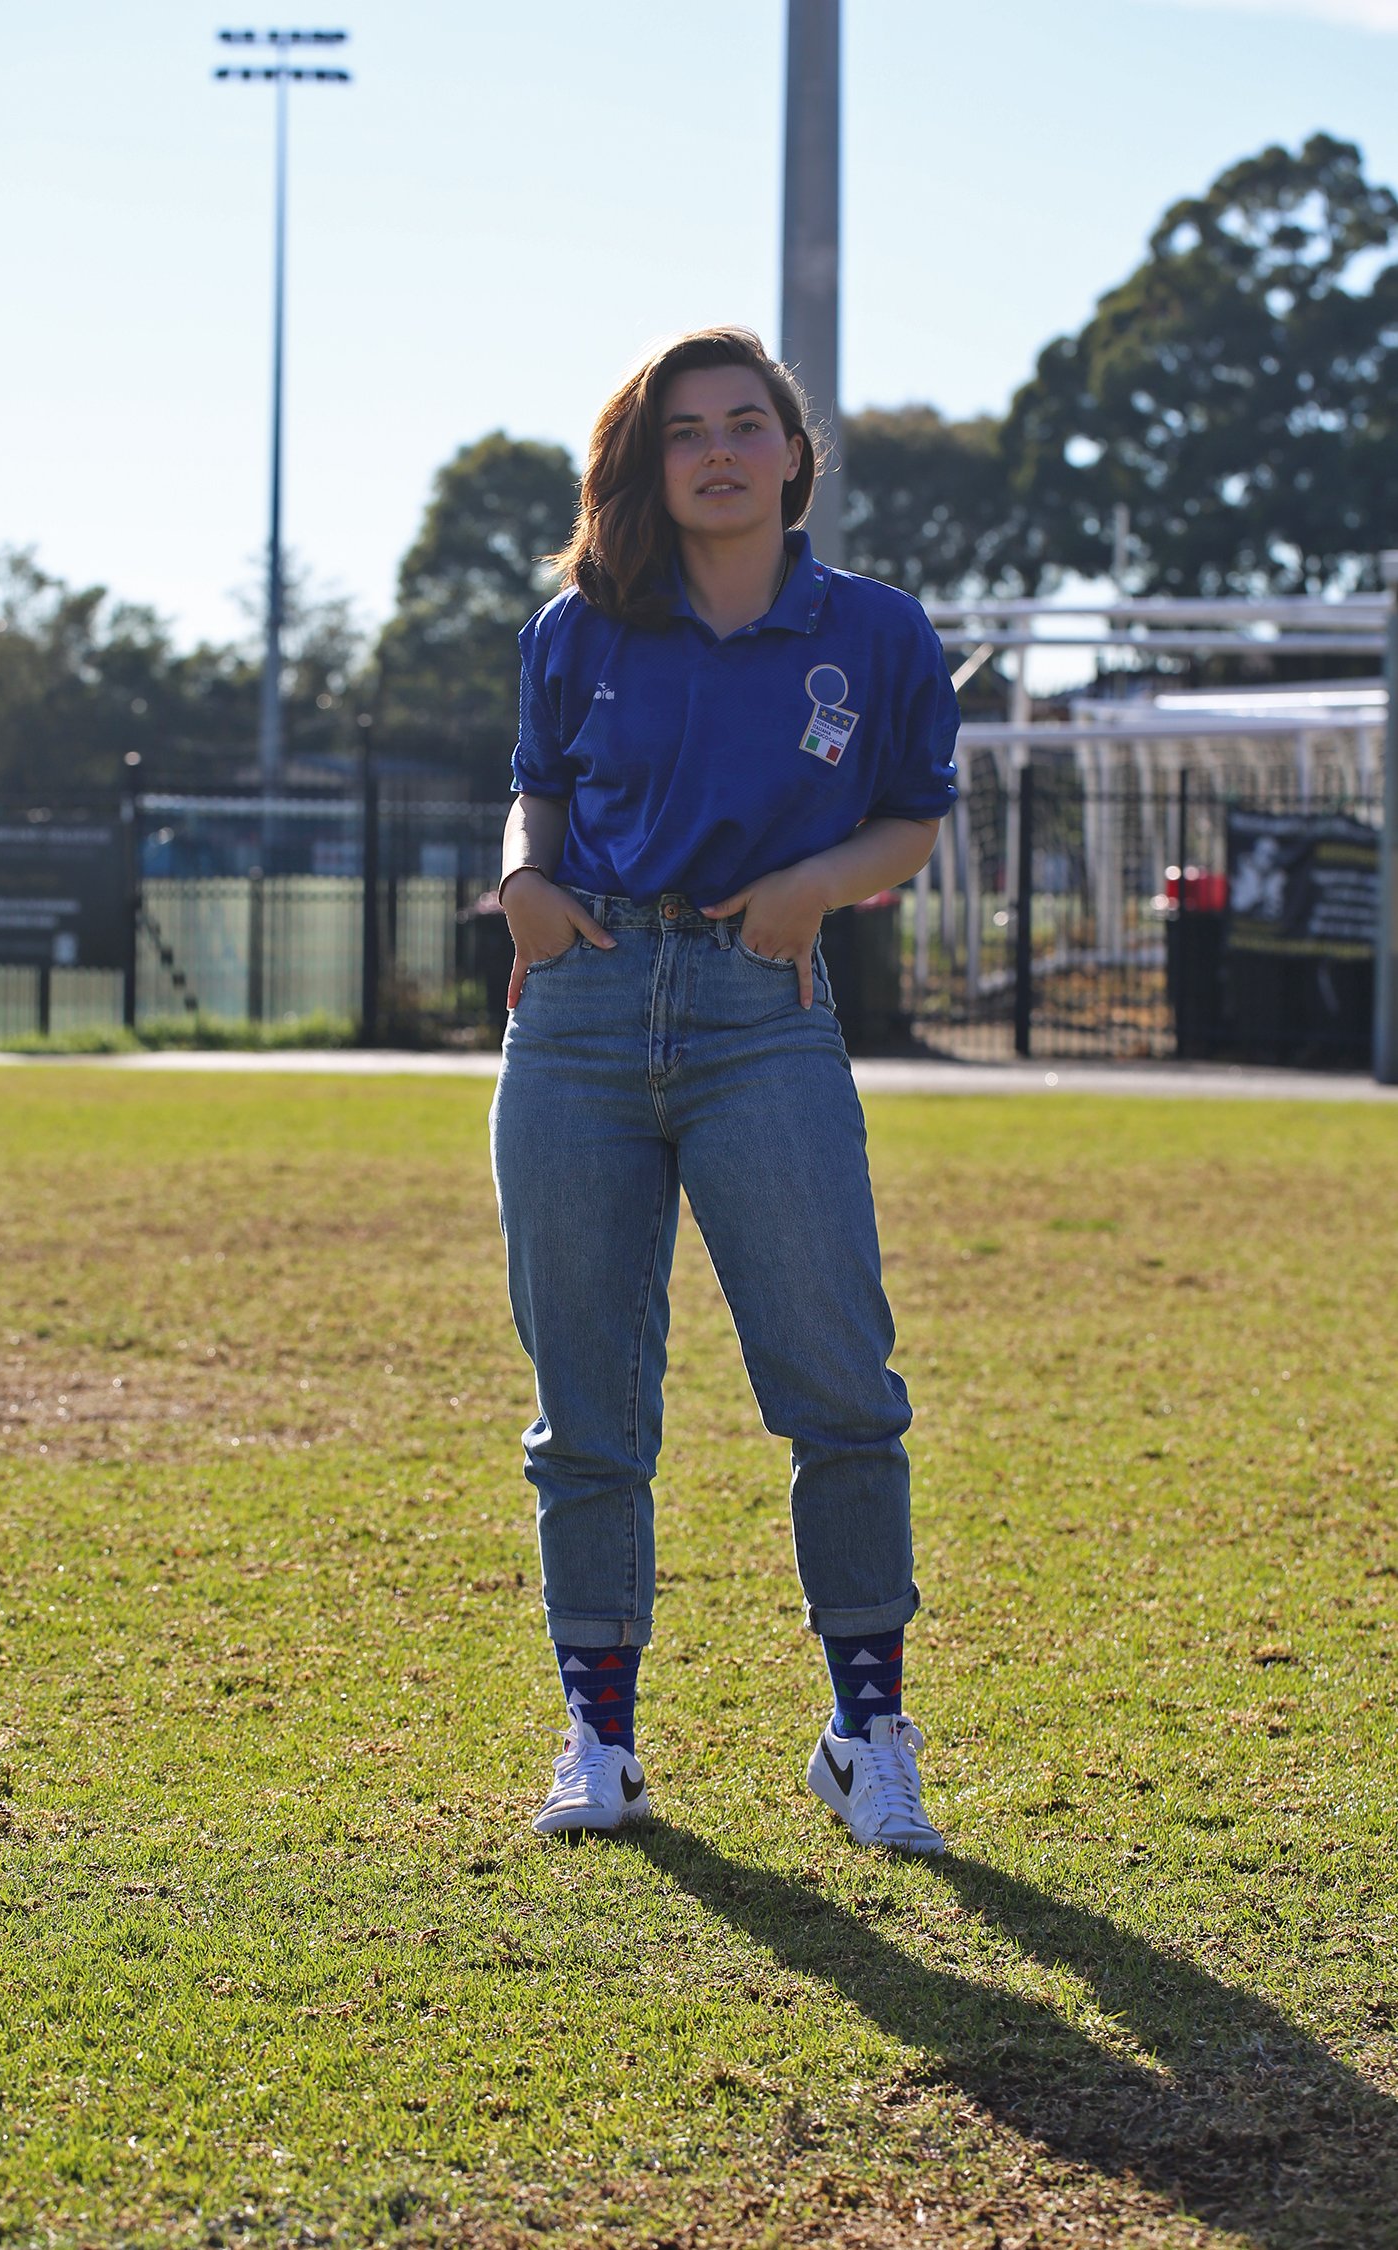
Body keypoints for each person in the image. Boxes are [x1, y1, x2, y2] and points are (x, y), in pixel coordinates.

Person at [489, 327, 958, 1853]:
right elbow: (537, 793)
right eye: (685, 428)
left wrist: (809, 887)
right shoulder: (580, 627)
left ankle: (866, 1727)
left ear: (792, 452)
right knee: (588, 1409)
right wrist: (522, 887)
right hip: (581, 1013)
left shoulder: (876, 632)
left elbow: (910, 823)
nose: (717, 451)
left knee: (838, 1384)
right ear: (649, 457)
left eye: (746, 423)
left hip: (767, 1011)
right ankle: (600, 1742)